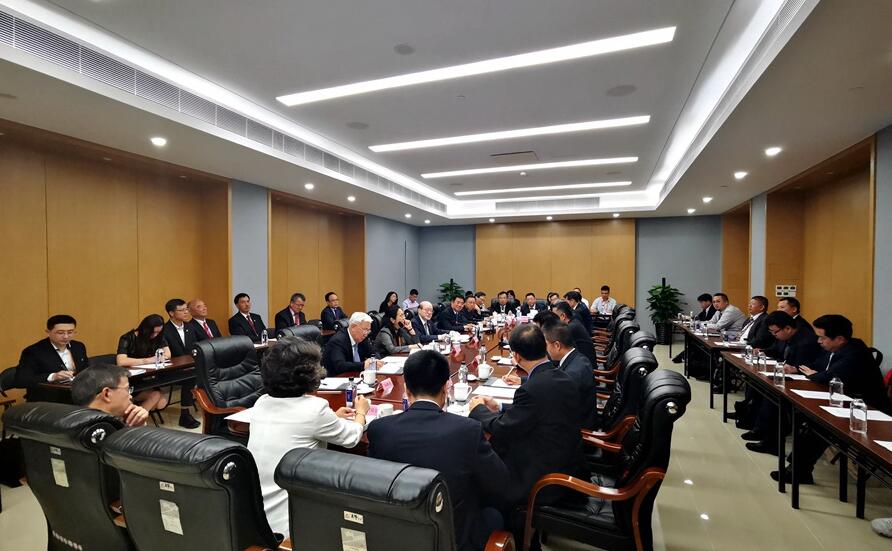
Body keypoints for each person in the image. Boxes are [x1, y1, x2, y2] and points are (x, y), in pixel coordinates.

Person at [368, 350, 509, 551]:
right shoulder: (468, 430)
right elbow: (500, 484)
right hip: (452, 539)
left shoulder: (379, 429)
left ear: (406, 388)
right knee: (493, 515)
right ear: (445, 387)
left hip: (398, 535)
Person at [248, 337, 369, 535]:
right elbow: (352, 438)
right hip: (289, 518)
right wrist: (361, 412)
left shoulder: (261, 402)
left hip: (255, 512)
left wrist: (332, 417)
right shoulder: (315, 409)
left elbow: (297, 423)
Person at [468, 324, 588, 509]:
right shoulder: (561, 376)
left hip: (546, 480)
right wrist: (499, 406)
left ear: (516, 356)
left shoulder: (532, 389)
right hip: (567, 462)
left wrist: (478, 409)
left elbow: (503, 428)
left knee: (483, 462)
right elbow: (537, 409)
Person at [771, 315, 891, 484]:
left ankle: (799, 471)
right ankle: (796, 467)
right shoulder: (835, 349)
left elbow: (828, 377)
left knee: (818, 424)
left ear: (840, 339)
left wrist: (815, 374)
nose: (819, 341)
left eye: (822, 337)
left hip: (868, 411)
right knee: (808, 419)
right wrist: (797, 369)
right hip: (845, 402)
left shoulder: (855, 353)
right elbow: (817, 367)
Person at [742, 311, 821, 455]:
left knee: (773, 398)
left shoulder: (806, 342)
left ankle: (771, 442)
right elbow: (776, 350)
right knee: (760, 386)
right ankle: (758, 429)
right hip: (788, 376)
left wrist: (794, 369)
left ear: (788, 328)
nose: (774, 335)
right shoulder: (785, 336)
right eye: (771, 332)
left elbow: (803, 367)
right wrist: (763, 351)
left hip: (806, 385)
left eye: (775, 332)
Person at [16, 315, 89, 399]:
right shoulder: (33, 351)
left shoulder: (78, 346)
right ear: (48, 332)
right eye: (60, 333)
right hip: (49, 397)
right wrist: (53, 376)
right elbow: (21, 380)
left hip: (77, 393)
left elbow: (86, 370)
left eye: (70, 332)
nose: (66, 336)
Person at [541, 319, 596, 426]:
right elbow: (553, 376)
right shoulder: (577, 357)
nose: (545, 349)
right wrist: (522, 380)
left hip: (575, 427)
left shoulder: (571, 375)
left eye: (546, 345)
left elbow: (553, 406)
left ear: (557, 345)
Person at [114, 314, 170, 412]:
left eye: (158, 332)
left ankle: (135, 414)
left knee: (161, 403)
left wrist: (160, 357)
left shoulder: (158, 337)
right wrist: (147, 360)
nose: (155, 335)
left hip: (149, 377)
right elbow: (121, 361)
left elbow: (167, 354)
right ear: (145, 329)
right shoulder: (127, 338)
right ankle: (135, 419)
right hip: (132, 380)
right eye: (153, 332)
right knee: (156, 396)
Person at [161, 298, 201, 429]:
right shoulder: (164, 330)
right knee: (190, 377)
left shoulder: (190, 326)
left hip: (190, 365)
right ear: (171, 313)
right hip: (173, 369)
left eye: (186, 309)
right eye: (181, 310)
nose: (186, 312)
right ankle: (185, 414)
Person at [71, 364, 149, 427]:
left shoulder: (75, 423)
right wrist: (138, 429)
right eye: (127, 389)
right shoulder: (106, 433)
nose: (130, 396)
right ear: (107, 394)